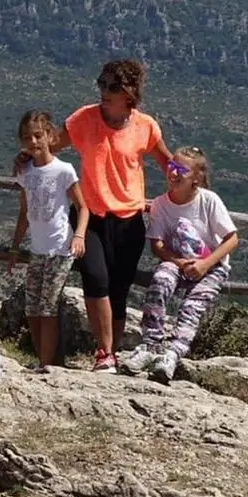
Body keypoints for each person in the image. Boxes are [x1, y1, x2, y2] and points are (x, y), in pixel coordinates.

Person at [18, 58, 173, 371]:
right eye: (101, 83)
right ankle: (104, 352)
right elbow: (53, 146)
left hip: (129, 221)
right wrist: (27, 154)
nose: (104, 91)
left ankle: (110, 357)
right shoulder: (84, 119)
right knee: (96, 278)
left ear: (130, 92)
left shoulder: (146, 126)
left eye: (112, 86)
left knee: (118, 291)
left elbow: (167, 163)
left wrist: (194, 179)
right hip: (91, 218)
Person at [120, 147, 239, 383]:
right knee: (161, 279)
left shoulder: (208, 200)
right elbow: (158, 245)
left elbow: (232, 238)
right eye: (171, 167)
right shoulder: (161, 204)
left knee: (192, 306)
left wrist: (206, 264)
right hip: (179, 261)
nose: (173, 173)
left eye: (181, 170)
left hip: (211, 265)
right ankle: (150, 345)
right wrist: (176, 261)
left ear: (196, 177)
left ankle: (173, 353)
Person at [8, 110, 87, 372]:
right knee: (32, 308)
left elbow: (83, 207)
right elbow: (24, 213)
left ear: (50, 135)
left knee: (48, 307)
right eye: (27, 138)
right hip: (37, 250)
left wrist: (79, 235)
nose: (33, 142)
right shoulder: (25, 172)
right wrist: (15, 247)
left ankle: (46, 364)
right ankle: (44, 357)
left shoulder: (64, 170)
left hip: (59, 249)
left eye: (38, 135)